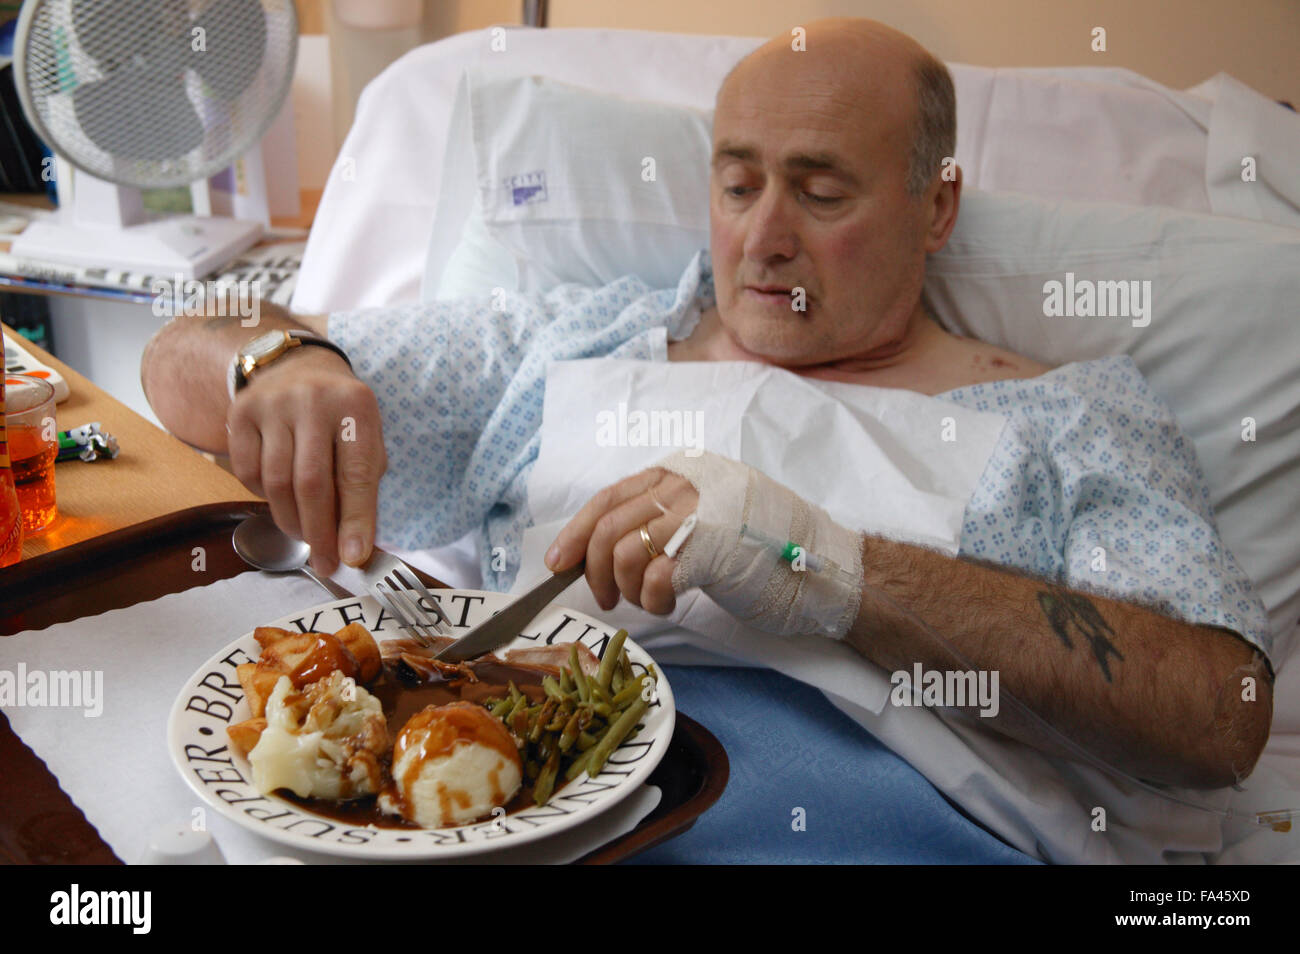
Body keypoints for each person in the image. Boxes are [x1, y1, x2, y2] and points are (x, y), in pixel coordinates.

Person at [141, 18, 1272, 792]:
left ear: (937, 210)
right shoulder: (565, 346)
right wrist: (276, 361)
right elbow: (175, 368)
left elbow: (1220, 715)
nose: (764, 234)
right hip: (496, 808)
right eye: (737, 184)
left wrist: (824, 564)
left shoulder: (1064, 418)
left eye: (821, 191)